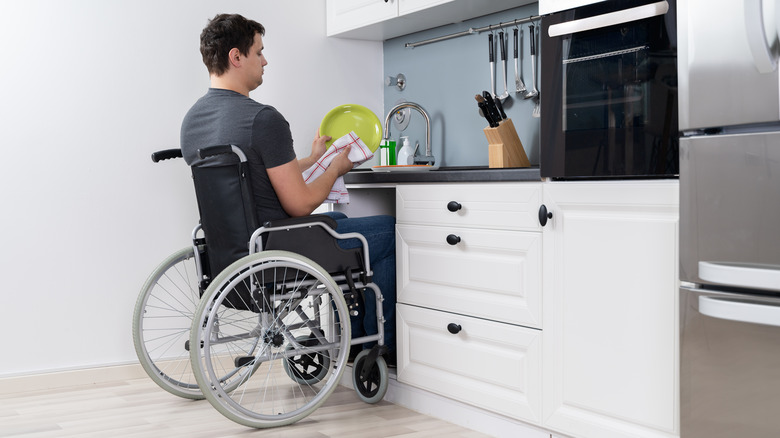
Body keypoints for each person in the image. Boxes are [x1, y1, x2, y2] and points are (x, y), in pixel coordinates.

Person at [180, 13, 396, 360]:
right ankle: (375, 347)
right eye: (258, 52)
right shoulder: (262, 118)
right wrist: (338, 165)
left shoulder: (193, 121)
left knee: (339, 224)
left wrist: (312, 161)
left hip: (235, 253)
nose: (265, 61)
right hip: (280, 249)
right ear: (236, 57)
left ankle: (355, 344)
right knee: (386, 230)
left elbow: (251, 174)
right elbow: (301, 205)